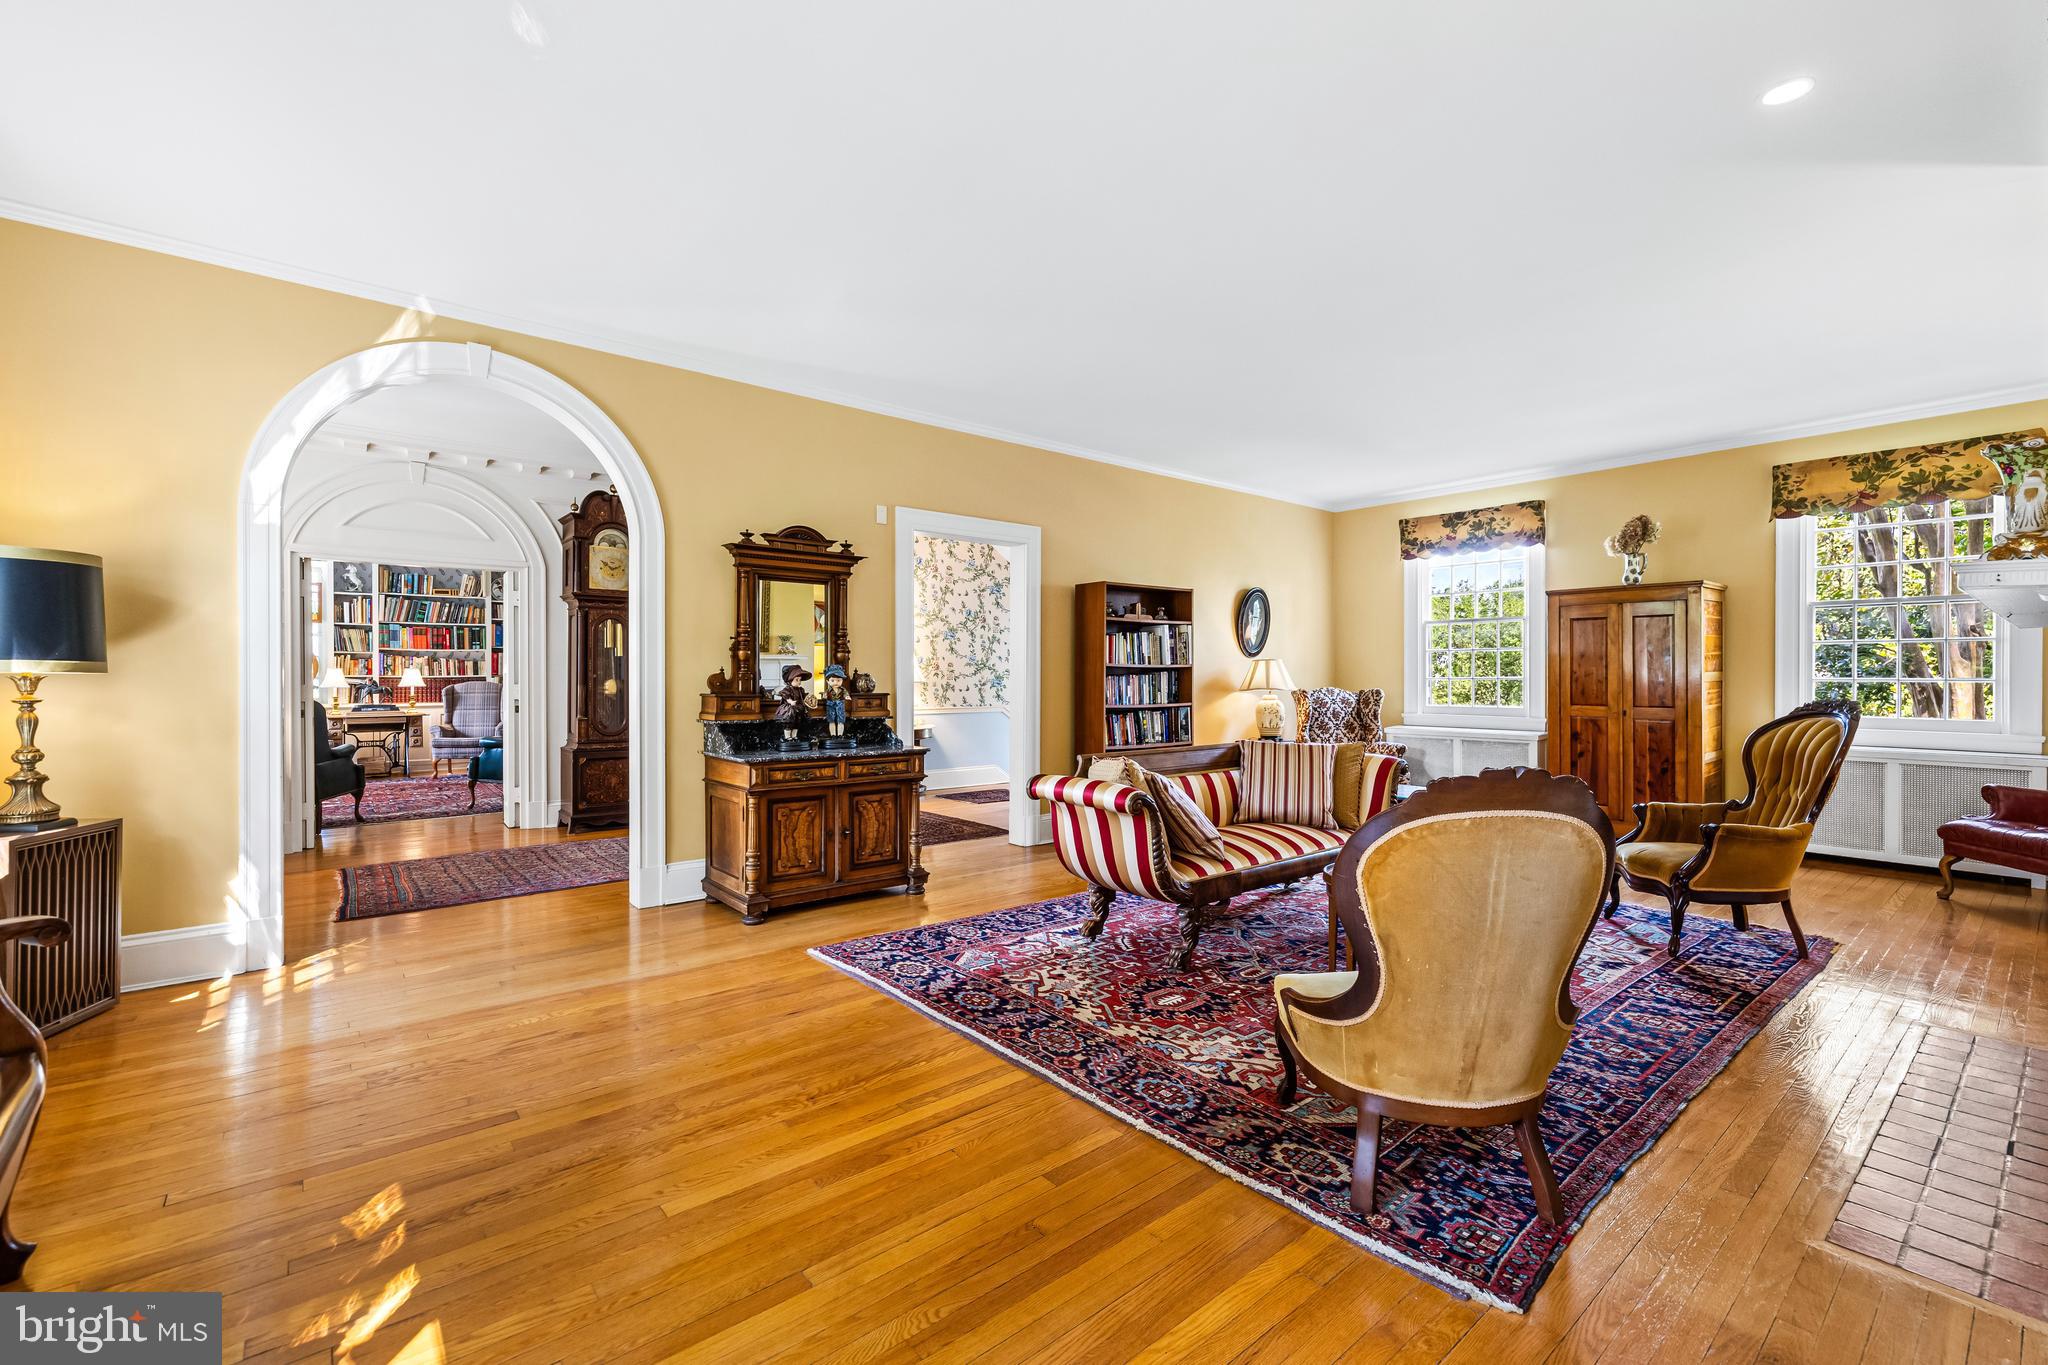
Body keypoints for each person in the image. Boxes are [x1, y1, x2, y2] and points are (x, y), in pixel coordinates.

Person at [774, 663, 812, 746]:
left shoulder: (800, 690)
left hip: (798, 708)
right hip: (790, 710)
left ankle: (794, 736)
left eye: (800, 680)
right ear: (789, 680)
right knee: (789, 723)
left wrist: (809, 700)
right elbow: (785, 695)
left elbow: (804, 697)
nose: (799, 682)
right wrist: (790, 701)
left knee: (797, 723)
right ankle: (787, 737)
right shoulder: (787, 689)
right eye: (797, 680)